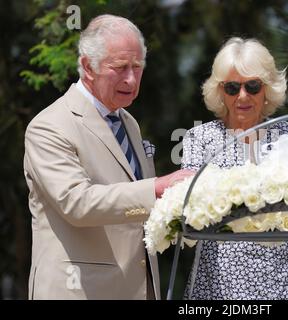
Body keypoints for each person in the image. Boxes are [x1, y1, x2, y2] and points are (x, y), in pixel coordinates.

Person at [23, 14, 192, 300]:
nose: (131, 78)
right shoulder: (48, 126)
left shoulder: (129, 122)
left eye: (137, 67)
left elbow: (136, 210)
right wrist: (157, 187)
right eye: (120, 67)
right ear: (88, 66)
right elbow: (77, 203)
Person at [181, 37, 288, 300]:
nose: (242, 96)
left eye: (252, 86)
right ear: (220, 91)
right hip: (218, 287)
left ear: (267, 88)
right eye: (232, 87)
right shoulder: (198, 139)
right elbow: (188, 217)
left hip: (285, 284)